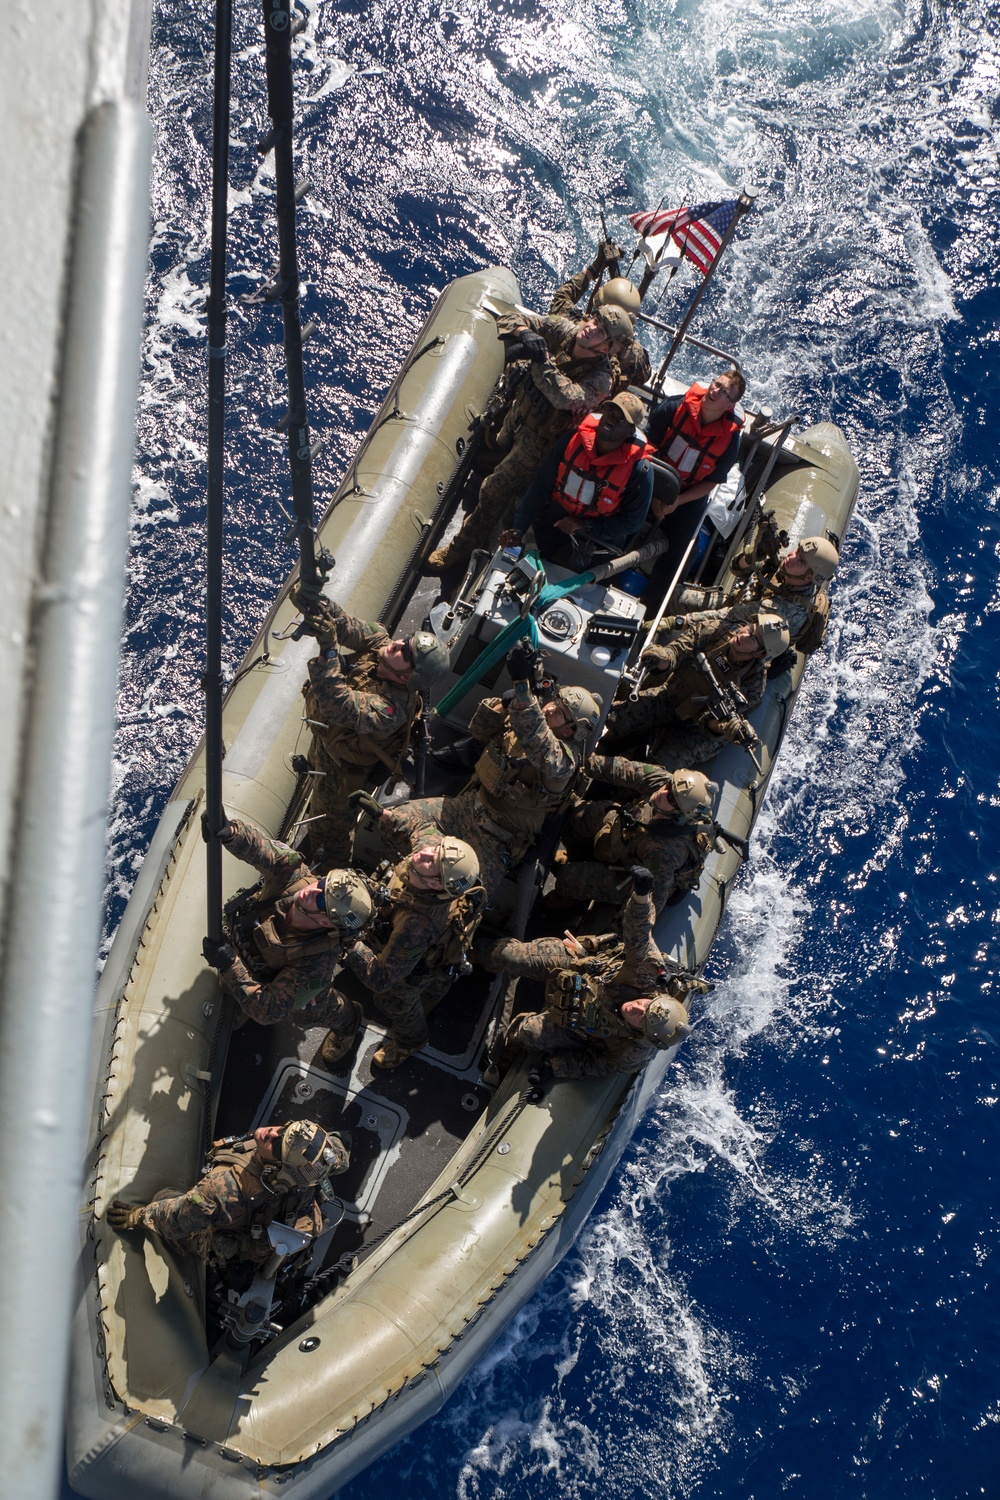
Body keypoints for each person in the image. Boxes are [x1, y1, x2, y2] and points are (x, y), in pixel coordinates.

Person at [424, 305, 634, 574]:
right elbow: (511, 317)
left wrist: (539, 358)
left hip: (538, 445)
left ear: (607, 347)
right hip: (518, 415)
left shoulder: (600, 380)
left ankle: (459, 551)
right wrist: (525, 333)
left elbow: (564, 396)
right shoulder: (566, 332)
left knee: (494, 490)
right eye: (594, 320)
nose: (591, 328)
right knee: (491, 456)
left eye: (601, 331)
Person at [380, 644, 602, 898]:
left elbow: (538, 742)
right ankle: (405, 871)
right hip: (467, 807)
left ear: (571, 731)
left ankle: (413, 889)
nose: (550, 708)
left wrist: (522, 686)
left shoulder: (564, 762)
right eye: (556, 702)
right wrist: (504, 705)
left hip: (495, 844)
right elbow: (479, 731)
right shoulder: (523, 719)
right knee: (393, 821)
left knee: (459, 901)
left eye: (561, 713)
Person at [475, 873, 706, 1080]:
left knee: (529, 1033)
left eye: (641, 1018)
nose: (636, 1008)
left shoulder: (632, 1052)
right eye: (646, 1005)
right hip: (580, 966)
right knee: (512, 956)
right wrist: (642, 897)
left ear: (642, 1033)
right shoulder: (645, 973)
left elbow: (600, 1066)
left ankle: (504, 1055)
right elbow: (639, 932)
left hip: (579, 1020)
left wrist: (557, 1068)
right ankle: (473, 952)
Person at [200, 811, 373, 1064]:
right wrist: (230, 833)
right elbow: (262, 849)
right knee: (238, 985)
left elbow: (268, 1010)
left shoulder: (317, 963)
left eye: (322, 899)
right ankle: (239, 990)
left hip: (294, 983)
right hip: (254, 956)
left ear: (326, 922)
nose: (312, 890)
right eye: (323, 884)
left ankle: (349, 1020)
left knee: (310, 1012)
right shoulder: (295, 876)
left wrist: (229, 964)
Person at [292, 589, 450, 865]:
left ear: (411, 676)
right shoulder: (382, 645)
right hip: (328, 745)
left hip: (342, 774)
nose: (398, 644)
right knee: (316, 798)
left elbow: (338, 704)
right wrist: (312, 596)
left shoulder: (391, 710)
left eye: (407, 652)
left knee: (330, 831)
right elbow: (344, 623)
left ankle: (330, 870)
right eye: (406, 640)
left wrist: (329, 649)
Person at [106, 1118, 351, 1265]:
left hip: (239, 1239)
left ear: (278, 1171)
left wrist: (139, 1216)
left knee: (163, 1198)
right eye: (286, 1130)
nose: (272, 1133)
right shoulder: (318, 1157)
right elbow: (339, 1152)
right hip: (282, 1215)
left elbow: (174, 1221)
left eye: (278, 1145)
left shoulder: (223, 1189)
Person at [338, 836, 486, 1070]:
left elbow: (382, 979)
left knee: (393, 1002)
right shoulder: (431, 868)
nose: (424, 854)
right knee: (436, 980)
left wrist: (352, 946)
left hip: (412, 965)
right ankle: (438, 987)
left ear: (436, 885)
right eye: (435, 849)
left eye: (432, 863)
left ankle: (411, 1041)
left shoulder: (415, 926)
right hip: (433, 946)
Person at [602, 604, 789, 767]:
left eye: (753, 639)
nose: (744, 634)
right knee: (616, 716)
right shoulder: (718, 630)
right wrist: (663, 658)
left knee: (658, 769)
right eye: (750, 628)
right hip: (672, 695)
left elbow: (707, 722)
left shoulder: (753, 684)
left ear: (759, 654)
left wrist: (723, 727)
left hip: (694, 730)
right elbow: (680, 649)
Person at [552, 757, 718, 915]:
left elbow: (651, 902)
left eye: (670, 798)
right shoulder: (664, 783)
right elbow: (623, 769)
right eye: (668, 785)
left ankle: (571, 900)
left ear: (679, 815)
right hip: (627, 835)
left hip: (631, 872)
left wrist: (622, 936)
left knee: (568, 879)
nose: (662, 792)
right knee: (575, 815)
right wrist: (579, 762)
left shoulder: (666, 852)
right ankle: (578, 856)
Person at [499, 394, 654, 561]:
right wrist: (520, 528)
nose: (611, 420)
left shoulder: (640, 471)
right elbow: (540, 486)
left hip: (599, 541)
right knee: (525, 561)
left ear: (630, 431)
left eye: (620, 419)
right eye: (609, 412)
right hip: (557, 521)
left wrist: (585, 526)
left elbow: (631, 523)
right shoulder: (571, 440)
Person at [644, 369, 746, 579]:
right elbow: (645, 450)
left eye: (724, 392)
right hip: (652, 477)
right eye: (716, 384)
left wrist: (678, 501)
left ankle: (656, 599)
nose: (715, 391)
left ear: (730, 406)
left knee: (682, 551)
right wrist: (655, 494)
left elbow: (712, 482)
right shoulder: (674, 407)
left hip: (688, 495)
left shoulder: (729, 441)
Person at [676, 534, 840, 659]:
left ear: (809, 578)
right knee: (675, 596)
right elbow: (735, 568)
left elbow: (727, 616)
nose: (792, 557)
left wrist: (679, 622)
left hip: (743, 638)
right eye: (797, 551)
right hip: (737, 606)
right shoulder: (789, 568)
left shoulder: (784, 611)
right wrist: (754, 554)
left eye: (801, 561)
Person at [548, 239, 652, 388]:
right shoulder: (633, 358)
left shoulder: (573, 325)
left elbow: (561, 298)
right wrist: (624, 333)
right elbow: (643, 375)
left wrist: (593, 269)